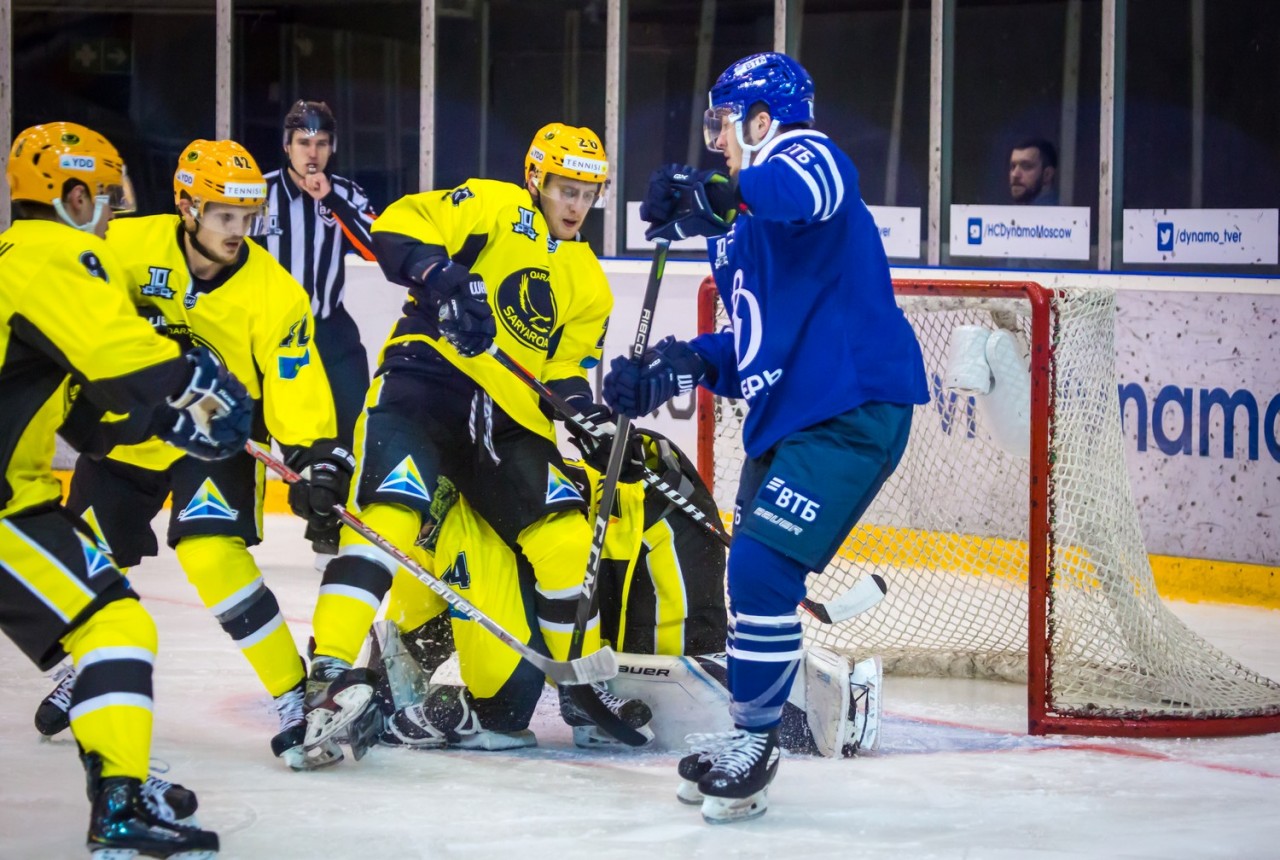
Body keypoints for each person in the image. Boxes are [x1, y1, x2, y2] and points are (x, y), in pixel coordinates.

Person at [605, 51, 928, 824]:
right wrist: (674, 368)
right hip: (790, 420)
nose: (716, 138)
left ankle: (756, 743)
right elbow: (746, 349)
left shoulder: (801, 154)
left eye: (724, 122)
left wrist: (723, 192)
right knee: (753, 587)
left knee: (756, 572)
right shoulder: (744, 233)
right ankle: (750, 734)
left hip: (850, 410)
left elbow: (810, 187)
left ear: (760, 120)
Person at [297, 121, 648, 760]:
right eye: (566, 188)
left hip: (509, 420)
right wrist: (442, 277)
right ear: (537, 179)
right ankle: (324, 677)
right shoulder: (494, 204)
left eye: (588, 193)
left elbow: (561, 371)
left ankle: (580, 690)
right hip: (424, 387)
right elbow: (398, 227)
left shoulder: (589, 280)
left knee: (566, 535)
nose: (576, 204)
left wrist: (585, 418)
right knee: (389, 518)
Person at [33, 138, 354, 772]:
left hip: (214, 436)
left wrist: (314, 453)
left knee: (212, 553)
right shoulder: (122, 248)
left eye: (247, 217)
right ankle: (93, 667)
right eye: (223, 216)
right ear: (186, 207)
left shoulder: (275, 291)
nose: (238, 231)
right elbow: (71, 310)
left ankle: (294, 696)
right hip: (128, 430)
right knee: (90, 562)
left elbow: (292, 376)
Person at [2, 121, 253, 856]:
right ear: (71, 194)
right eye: (106, 198)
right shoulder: (54, 252)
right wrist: (195, 385)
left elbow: (79, 410)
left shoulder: (17, 260)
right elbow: (118, 356)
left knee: (109, 624)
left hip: (18, 496)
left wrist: (162, 425)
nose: (112, 214)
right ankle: (116, 802)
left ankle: (118, 780)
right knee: (113, 625)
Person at [356, 430, 881, 762]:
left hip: (650, 536)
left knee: (680, 675)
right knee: (631, 677)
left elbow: (502, 698)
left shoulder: (456, 520)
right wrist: (377, 673)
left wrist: (473, 711)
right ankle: (587, 701)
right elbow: (416, 611)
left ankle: (817, 704)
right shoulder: (446, 506)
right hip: (619, 538)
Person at [258, 99, 379, 558]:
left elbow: (375, 250)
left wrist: (329, 198)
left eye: (322, 143)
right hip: (273, 336)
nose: (313, 153)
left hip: (330, 329)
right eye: (304, 142)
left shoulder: (346, 193)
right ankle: (303, 512)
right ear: (286, 146)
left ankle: (330, 524)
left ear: (333, 148)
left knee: (354, 424)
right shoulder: (258, 193)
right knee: (295, 436)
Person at [1008, 137, 1058, 205]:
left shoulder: (1056, 213)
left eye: (1026, 166)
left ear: (1047, 175)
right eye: (1013, 166)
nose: (1015, 174)